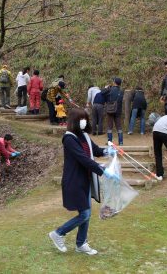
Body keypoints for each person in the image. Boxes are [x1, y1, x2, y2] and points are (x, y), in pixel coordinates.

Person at [48, 108, 117, 254]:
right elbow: (83, 159)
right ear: (74, 121)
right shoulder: (69, 138)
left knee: (87, 213)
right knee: (85, 214)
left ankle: (81, 244)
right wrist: (103, 171)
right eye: (81, 119)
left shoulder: (84, 136)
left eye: (85, 119)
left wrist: (108, 151)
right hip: (74, 181)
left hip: (85, 181)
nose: (84, 122)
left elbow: (96, 150)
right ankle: (58, 233)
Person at [102, 77, 124, 145]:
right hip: (118, 110)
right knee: (119, 127)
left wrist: (106, 88)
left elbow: (102, 93)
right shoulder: (121, 91)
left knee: (109, 127)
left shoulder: (110, 89)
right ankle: (120, 142)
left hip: (110, 110)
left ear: (114, 82)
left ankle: (110, 142)